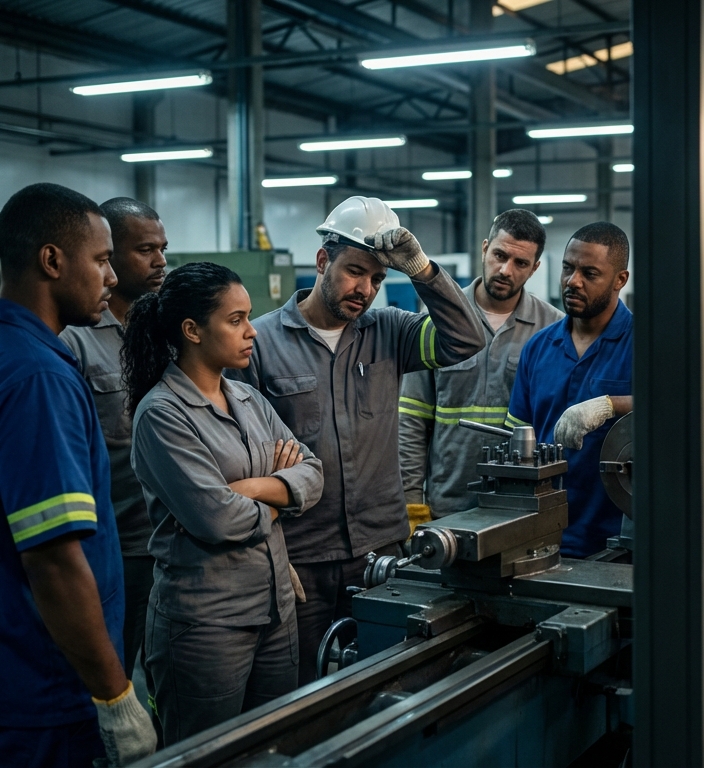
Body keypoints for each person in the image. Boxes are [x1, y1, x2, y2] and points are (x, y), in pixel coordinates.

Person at [230, 196, 485, 685]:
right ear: (322, 261)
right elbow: (242, 461)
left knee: (382, 678)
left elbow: (467, 340)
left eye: (377, 278)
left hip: (380, 551)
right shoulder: (259, 344)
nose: (365, 289)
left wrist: (422, 270)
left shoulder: (390, 332)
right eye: (354, 271)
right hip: (300, 556)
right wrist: (270, 552)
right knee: (300, 689)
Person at [125, 262, 324, 742]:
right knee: (207, 753)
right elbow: (217, 519)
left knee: (270, 747)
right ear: (192, 330)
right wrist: (281, 495)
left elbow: (314, 473)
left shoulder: (249, 399)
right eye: (236, 320)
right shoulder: (161, 414)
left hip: (275, 610)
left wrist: (251, 488)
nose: (252, 331)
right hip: (206, 624)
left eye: (249, 317)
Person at [0, 183, 157, 767]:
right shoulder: (39, 377)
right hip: (45, 686)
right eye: (100, 260)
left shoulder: (14, 352)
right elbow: (53, 558)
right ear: (51, 260)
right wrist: (115, 697)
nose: (111, 277)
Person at [60, 196, 168, 682]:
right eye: (145, 250)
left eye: (163, 248)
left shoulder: (167, 331)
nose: (160, 261)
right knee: (113, 671)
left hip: (172, 537)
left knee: (168, 673)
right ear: (109, 254)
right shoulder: (73, 341)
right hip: (117, 546)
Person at [399, 209, 563, 519]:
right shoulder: (438, 319)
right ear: (485, 249)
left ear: (535, 268)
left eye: (520, 263)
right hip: (447, 504)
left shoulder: (553, 329)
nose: (505, 270)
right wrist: (410, 502)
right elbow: (411, 417)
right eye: (500, 255)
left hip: (519, 505)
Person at [506, 222, 633, 558]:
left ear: (620, 279)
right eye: (567, 268)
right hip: (541, 540)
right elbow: (518, 443)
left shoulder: (644, 345)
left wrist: (611, 405)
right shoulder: (538, 349)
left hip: (618, 544)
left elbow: (678, 409)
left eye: (589, 273)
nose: (572, 281)